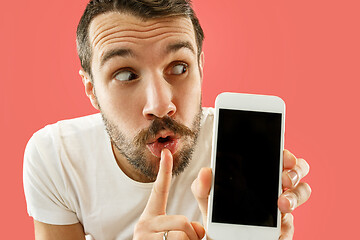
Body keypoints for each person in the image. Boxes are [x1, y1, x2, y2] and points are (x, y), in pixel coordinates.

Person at [23, 0, 311, 239]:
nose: (160, 106)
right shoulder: (56, 157)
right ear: (92, 90)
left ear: (200, 68)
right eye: (125, 74)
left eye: (179, 67)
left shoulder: (238, 148)